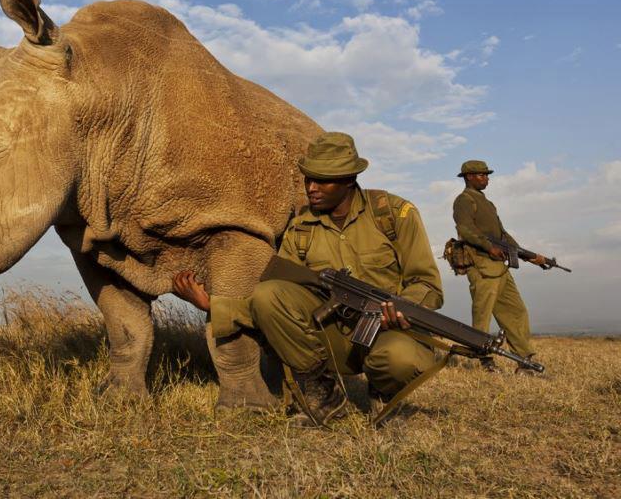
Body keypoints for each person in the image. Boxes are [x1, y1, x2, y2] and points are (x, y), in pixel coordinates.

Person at [172, 132, 443, 426]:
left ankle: (384, 390)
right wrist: (211, 304)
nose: (311, 188)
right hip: (334, 338)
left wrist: (401, 308)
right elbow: (269, 304)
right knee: (269, 293)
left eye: (322, 180)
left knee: (399, 359)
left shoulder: (394, 215)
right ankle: (324, 397)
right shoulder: (301, 229)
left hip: (389, 331)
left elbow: (428, 286)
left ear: (349, 179)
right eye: (308, 179)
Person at [452, 160, 544, 374]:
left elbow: (502, 235)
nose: (486, 178)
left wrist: (527, 255)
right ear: (468, 177)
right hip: (482, 265)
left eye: (486, 175)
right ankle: (484, 361)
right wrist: (488, 247)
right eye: (481, 175)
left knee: (516, 311)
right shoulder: (463, 200)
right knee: (482, 315)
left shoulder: (487, 203)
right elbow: (465, 231)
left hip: (499, 267)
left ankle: (525, 360)